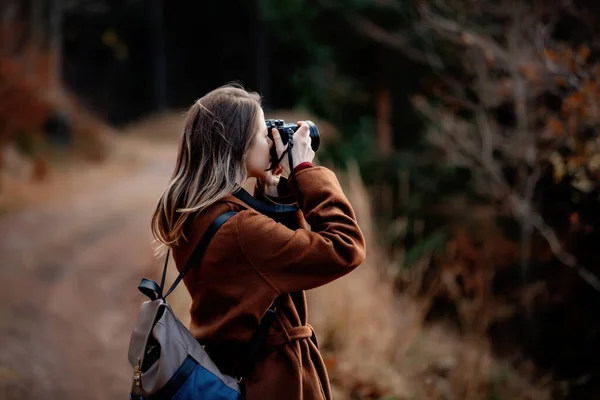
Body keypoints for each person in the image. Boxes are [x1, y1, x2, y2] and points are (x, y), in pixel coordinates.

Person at [151, 83, 366, 399]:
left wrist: (272, 195)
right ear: (238, 146)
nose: (272, 140)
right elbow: (346, 247)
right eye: (264, 133)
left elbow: (265, 272)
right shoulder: (240, 230)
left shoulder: (199, 213)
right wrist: (305, 170)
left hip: (240, 376)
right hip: (275, 383)